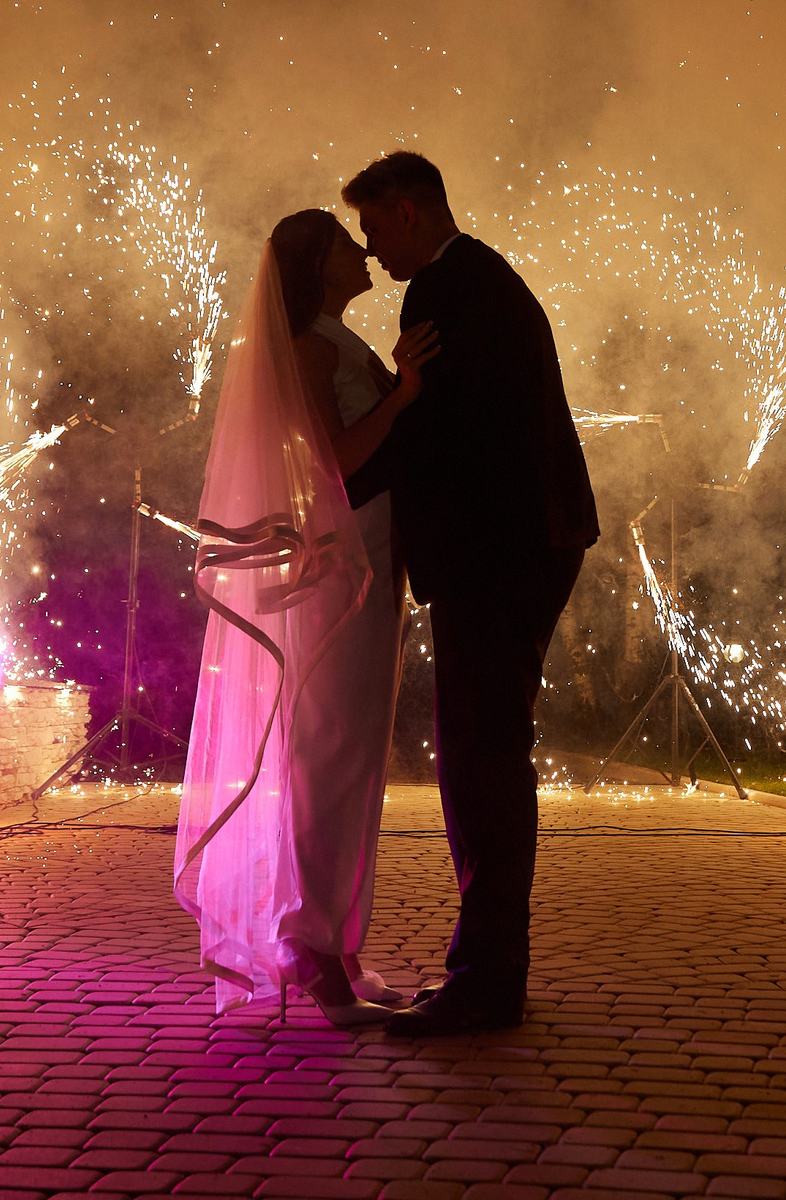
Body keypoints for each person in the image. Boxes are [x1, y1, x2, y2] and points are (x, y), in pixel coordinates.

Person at [344, 150, 599, 1037]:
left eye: (375, 228)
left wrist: (344, 477)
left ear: (409, 212)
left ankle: (487, 984)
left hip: (501, 552)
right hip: (528, 543)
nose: (371, 252)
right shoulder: (483, 276)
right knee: (484, 756)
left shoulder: (444, 292)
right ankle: (488, 970)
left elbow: (441, 437)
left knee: (480, 761)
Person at [171, 210, 437, 1027]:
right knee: (330, 754)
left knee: (353, 756)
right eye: (343, 245)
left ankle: (338, 947)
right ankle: (315, 953)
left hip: (368, 557)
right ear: (317, 264)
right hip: (341, 566)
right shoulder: (316, 349)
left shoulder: (330, 338)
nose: (361, 254)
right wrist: (404, 398)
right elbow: (335, 460)